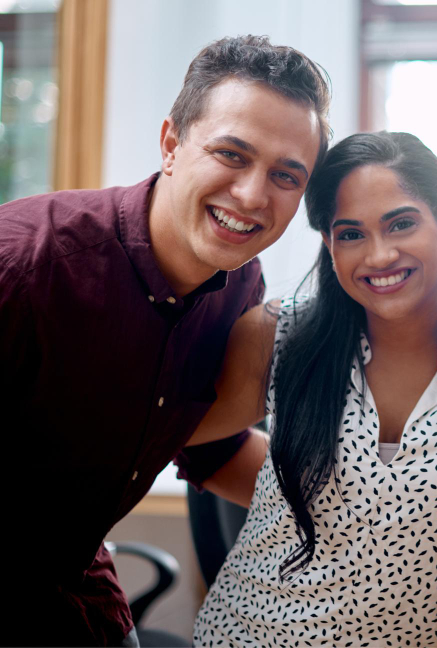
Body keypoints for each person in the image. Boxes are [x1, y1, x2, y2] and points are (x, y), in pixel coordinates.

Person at [0, 35, 330, 647]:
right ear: (172, 144)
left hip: (72, 580)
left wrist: (374, 502)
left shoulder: (237, 284)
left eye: (286, 175)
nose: (254, 195)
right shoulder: (25, 263)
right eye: (232, 154)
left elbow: (208, 447)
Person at [185, 131, 437, 647]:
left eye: (401, 224)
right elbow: (175, 437)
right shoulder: (275, 337)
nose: (380, 256)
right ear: (328, 244)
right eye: (351, 234)